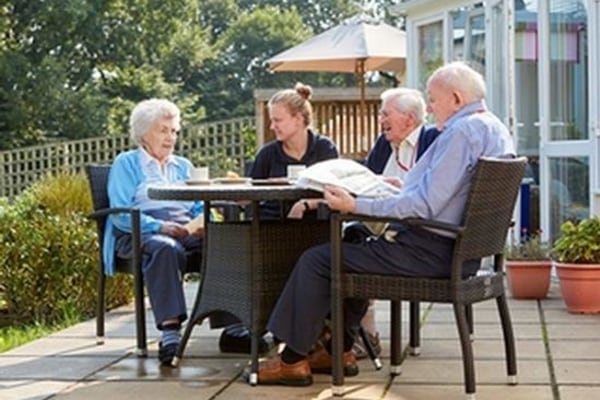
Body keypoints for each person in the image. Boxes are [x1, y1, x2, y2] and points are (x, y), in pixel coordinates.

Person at [254, 61, 515, 386]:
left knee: (318, 260)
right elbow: (442, 193)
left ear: (457, 98)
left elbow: (425, 205)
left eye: (433, 100)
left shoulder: (462, 132)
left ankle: (292, 360)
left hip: (430, 252)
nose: (429, 109)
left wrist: (355, 204)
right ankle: (339, 350)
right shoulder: (495, 128)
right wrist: (400, 188)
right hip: (460, 252)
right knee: (349, 246)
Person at [218, 82, 339, 354]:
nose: (272, 126)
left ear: (298, 119)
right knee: (231, 246)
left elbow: (337, 193)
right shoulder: (268, 154)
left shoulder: (324, 149)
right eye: (272, 120)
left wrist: (306, 203)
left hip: (314, 229)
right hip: (271, 229)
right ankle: (242, 327)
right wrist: (243, 195)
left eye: (278, 120)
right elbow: (253, 196)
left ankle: (311, 328)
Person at [105, 98, 204, 366]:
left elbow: (198, 204)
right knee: (164, 247)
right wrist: (159, 226)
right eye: (163, 130)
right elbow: (122, 212)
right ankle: (170, 331)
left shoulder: (183, 165)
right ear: (143, 132)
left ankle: (234, 327)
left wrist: (201, 223)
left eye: (174, 131)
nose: (171, 137)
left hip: (186, 232)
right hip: (141, 233)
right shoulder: (127, 163)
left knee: (228, 242)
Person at [346, 87, 441, 359]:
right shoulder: (383, 143)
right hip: (377, 222)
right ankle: (357, 333)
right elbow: (365, 181)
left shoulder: (434, 140)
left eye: (385, 113)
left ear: (409, 119)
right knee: (349, 238)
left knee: (350, 249)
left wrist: (401, 189)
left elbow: (433, 194)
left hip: (415, 231)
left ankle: (359, 336)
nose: (380, 119)